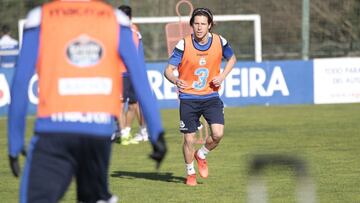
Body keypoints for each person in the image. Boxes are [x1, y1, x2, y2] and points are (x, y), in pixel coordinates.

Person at [7, 1, 166, 202]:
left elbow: (20, 83)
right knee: (93, 197)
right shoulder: (116, 20)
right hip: (97, 131)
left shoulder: (40, 18)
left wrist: (14, 142)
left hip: (53, 131)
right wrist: (156, 132)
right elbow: (140, 77)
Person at [164, 7, 236, 186]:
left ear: (209, 25)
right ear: (192, 25)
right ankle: (190, 173)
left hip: (211, 96)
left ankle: (202, 154)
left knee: (218, 134)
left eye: (203, 24)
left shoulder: (220, 41)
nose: (199, 27)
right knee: (189, 139)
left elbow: (232, 59)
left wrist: (222, 76)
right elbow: (168, 70)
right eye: (196, 23)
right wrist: (175, 79)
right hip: (188, 98)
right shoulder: (184, 44)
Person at [113, 5, 149, 145]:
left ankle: (123, 133)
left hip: (122, 72)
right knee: (134, 103)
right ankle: (132, 132)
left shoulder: (120, 30)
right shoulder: (135, 29)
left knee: (120, 105)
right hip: (135, 71)